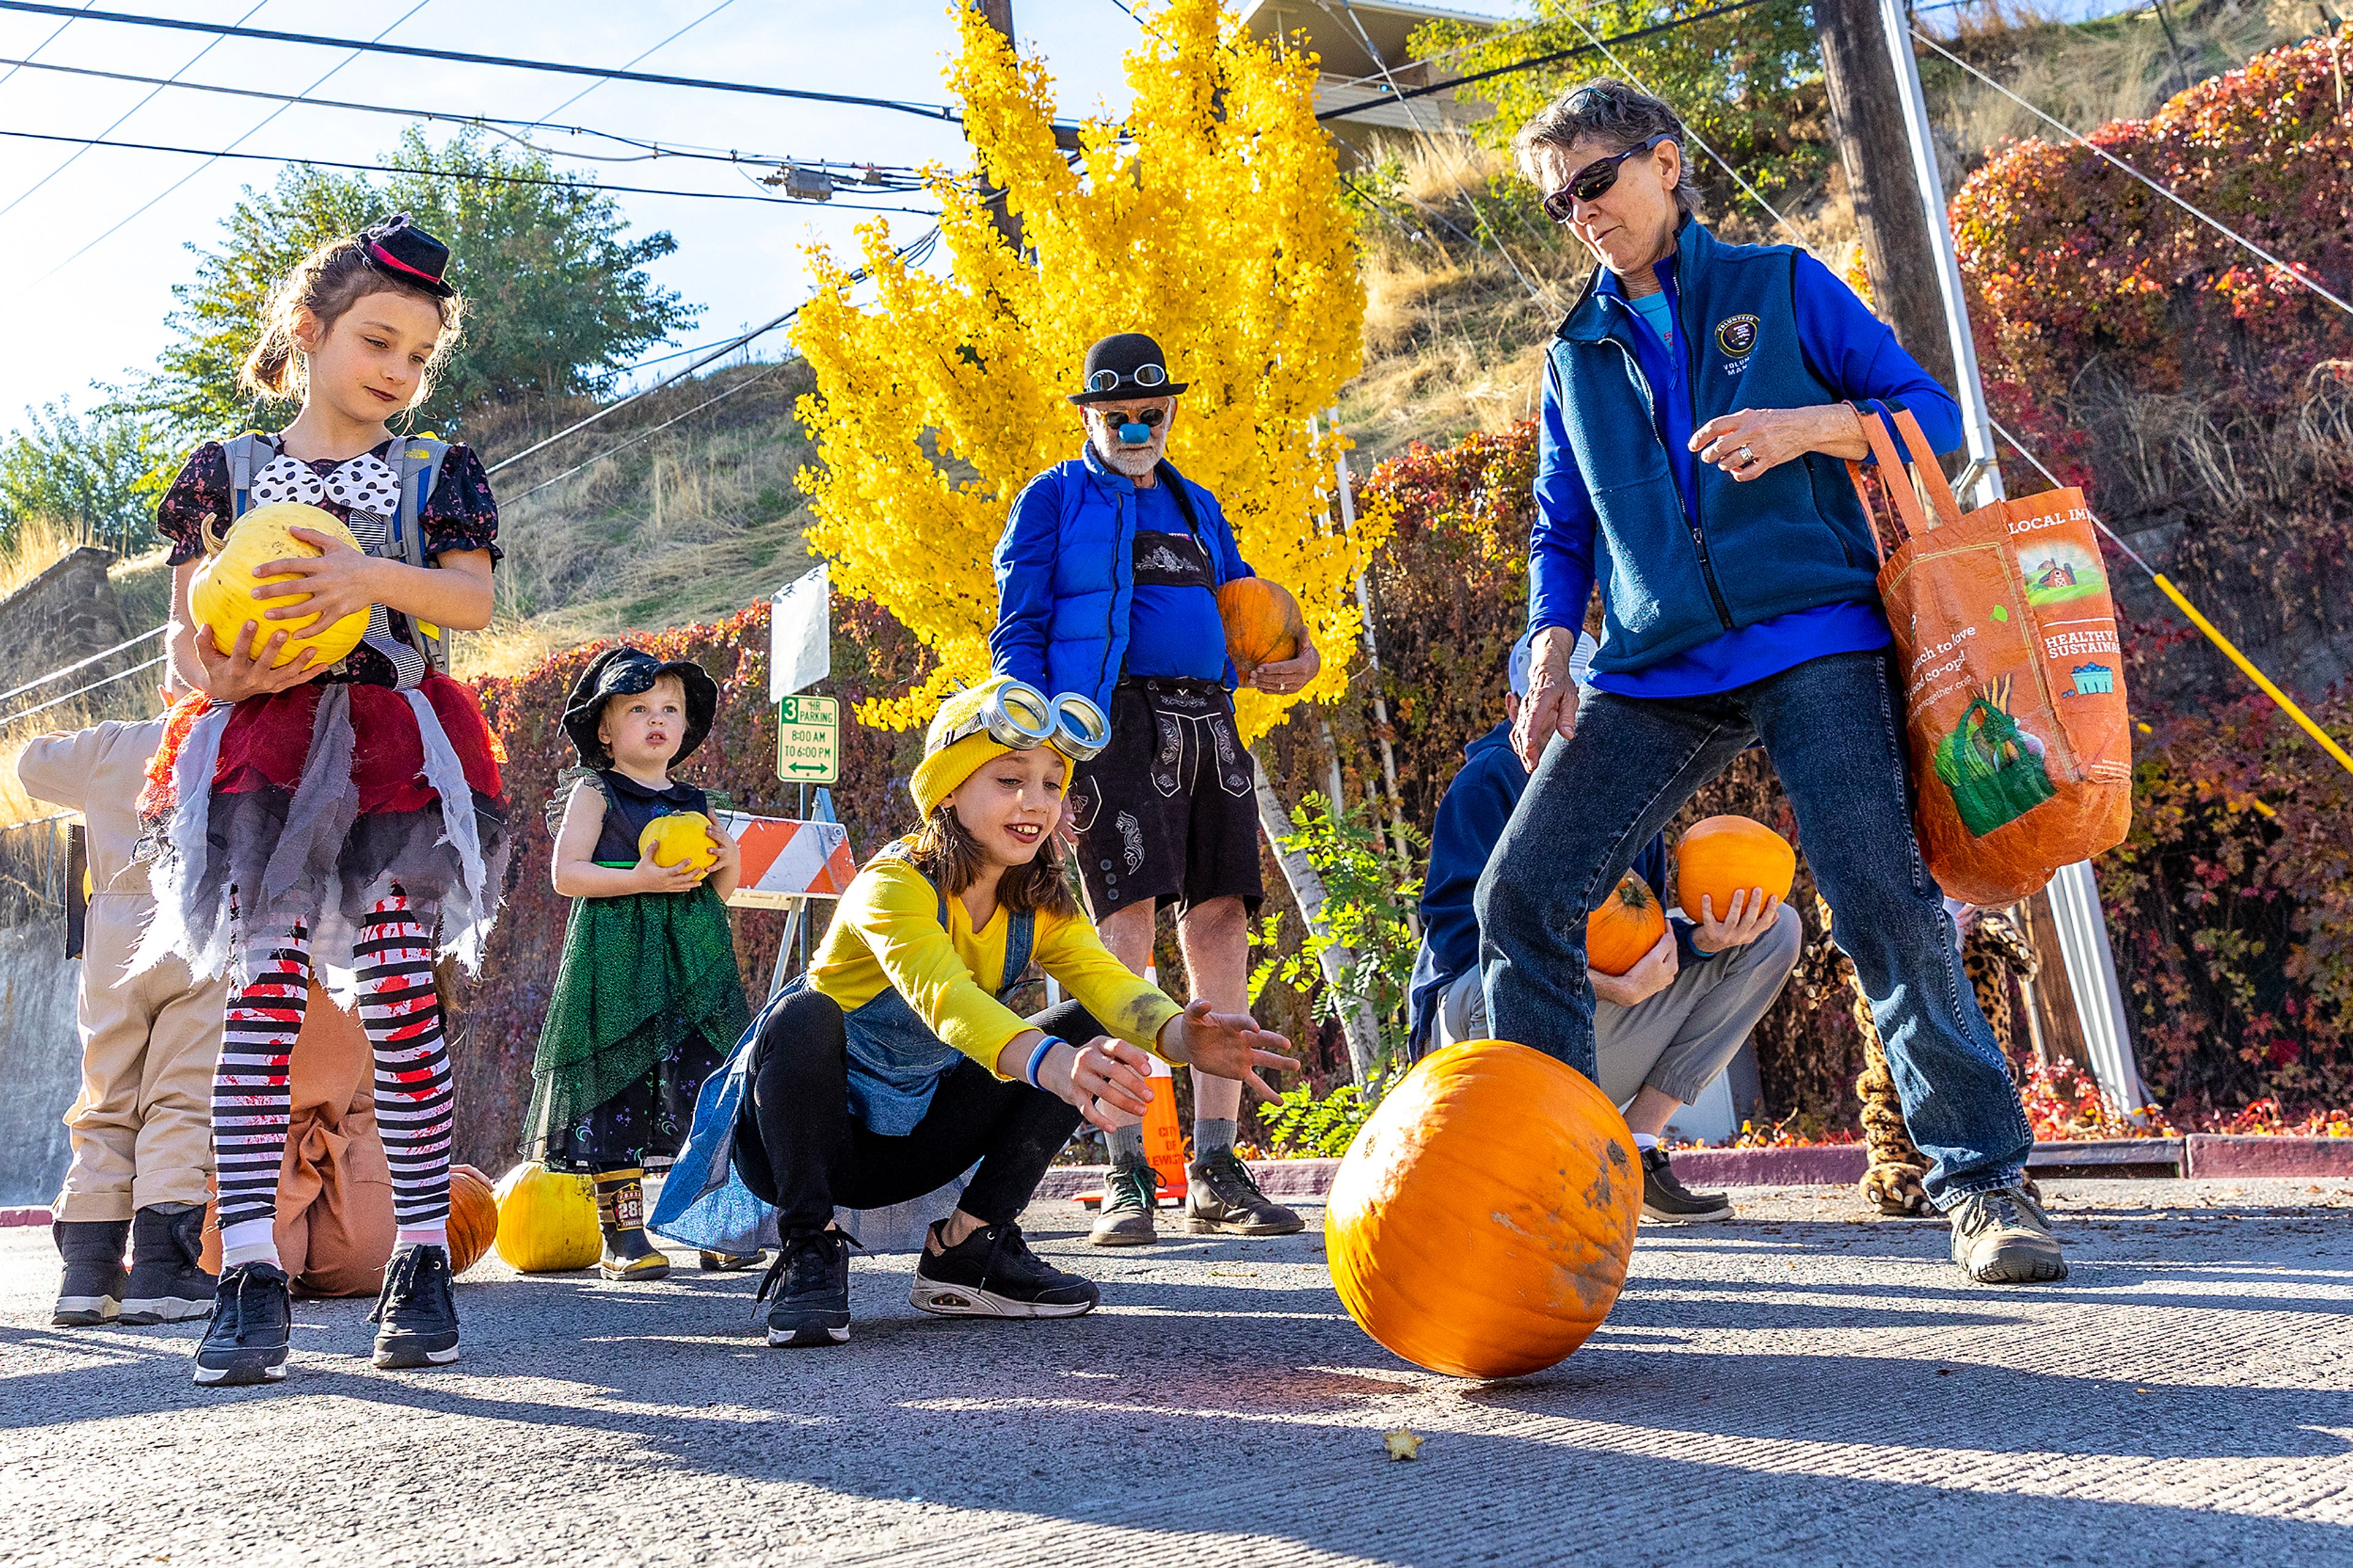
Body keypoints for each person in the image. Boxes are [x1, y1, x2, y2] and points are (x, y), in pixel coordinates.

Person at [1479, 80, 2064, 1285]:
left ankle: (1987, 1185)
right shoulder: (1572, 355)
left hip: (1814, 633)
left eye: (1598, 181)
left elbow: (1934, 421)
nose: (1582, 213)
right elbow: (1561, 527)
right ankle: (1557, 1196)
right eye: (1559, 202)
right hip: (1652, 665)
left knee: (1881, 901)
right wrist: (1550, 644)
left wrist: (1810, 429)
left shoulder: (1784, 287)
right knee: (1520, 898)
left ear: (1665, 163)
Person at [139, 213, 510, 1385]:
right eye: (377, 341)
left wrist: (362, 574)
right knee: (263, 1007)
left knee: (401, 999)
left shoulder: (436, 471)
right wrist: (222, 671)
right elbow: (185, 643)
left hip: (393, 746)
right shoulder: (228, 471)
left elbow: (468, 605)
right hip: (268, 753)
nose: (397, 371)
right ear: (309, 330)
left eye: (417, 355)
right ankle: (247, 1269)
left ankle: (420, 1257)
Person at [651, 676, 1297, 1347]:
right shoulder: (893, 885)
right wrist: (1054, 1067)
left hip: (913, 1144)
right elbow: (946, 1000)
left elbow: (1109, 982)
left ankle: (968, 1246)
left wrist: (1180, 1036)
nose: (1035, 803)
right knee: (802, 1015)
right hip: (803, 1145)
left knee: (1087, 1026)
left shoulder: (1039, 899)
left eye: (1053, 783)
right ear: (950, 791)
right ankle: (811, 1250)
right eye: (1010, 780)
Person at [990, 331, 1320, 1247]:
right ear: (1091, 415)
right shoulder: (1052, 499)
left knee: (1221, 926)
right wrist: (1037, 738)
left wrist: (1299, 654)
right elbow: (1016, 626)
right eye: (1118, 415)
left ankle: (1216, 1165)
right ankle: (1132, 1168)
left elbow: (1247, 609)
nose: (1137, 428)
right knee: (1120, 933)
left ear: (1171, 412)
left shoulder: (1198, 502)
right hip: (1109, 726)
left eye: (1153, 413)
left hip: (1211, 721)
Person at [1406, 633, 1800, 1222]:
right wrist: (1587, 982)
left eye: (1587, 709)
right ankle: (1524, 1164)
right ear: (1518, 709)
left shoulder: (1623, 782)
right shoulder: (1487, 782)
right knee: (1497, 984)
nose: (1571, 727)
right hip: (1478, 1033)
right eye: (1556, 707)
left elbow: (1633, 929)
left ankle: (1631, 1149)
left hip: (1587, 1017)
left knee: (1776, 932)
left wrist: (1699, 942)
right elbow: (1466, 944)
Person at [524, 646, 751, 1280]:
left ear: (684, 728)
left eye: (670, 709)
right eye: (639, 708)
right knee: (615, 1095)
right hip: (617, 963)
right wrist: (644, 876)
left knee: (704, 1087)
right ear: (604, 728)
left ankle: (712, 1224)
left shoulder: (695, 801)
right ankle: (622, 1239)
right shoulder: (597, 794)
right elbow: (566, 875)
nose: (658, 719)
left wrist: (727, 858)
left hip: (691, 970)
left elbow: (718, 891)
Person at [19, 698, 223, 1328]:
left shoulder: (111, 745)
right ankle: (165, 1270)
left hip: (112, 935)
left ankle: (87, 1272)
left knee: (107, 1094)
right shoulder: (235, 735)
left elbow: (31, 766)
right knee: (181, 1095)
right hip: (200, 925)